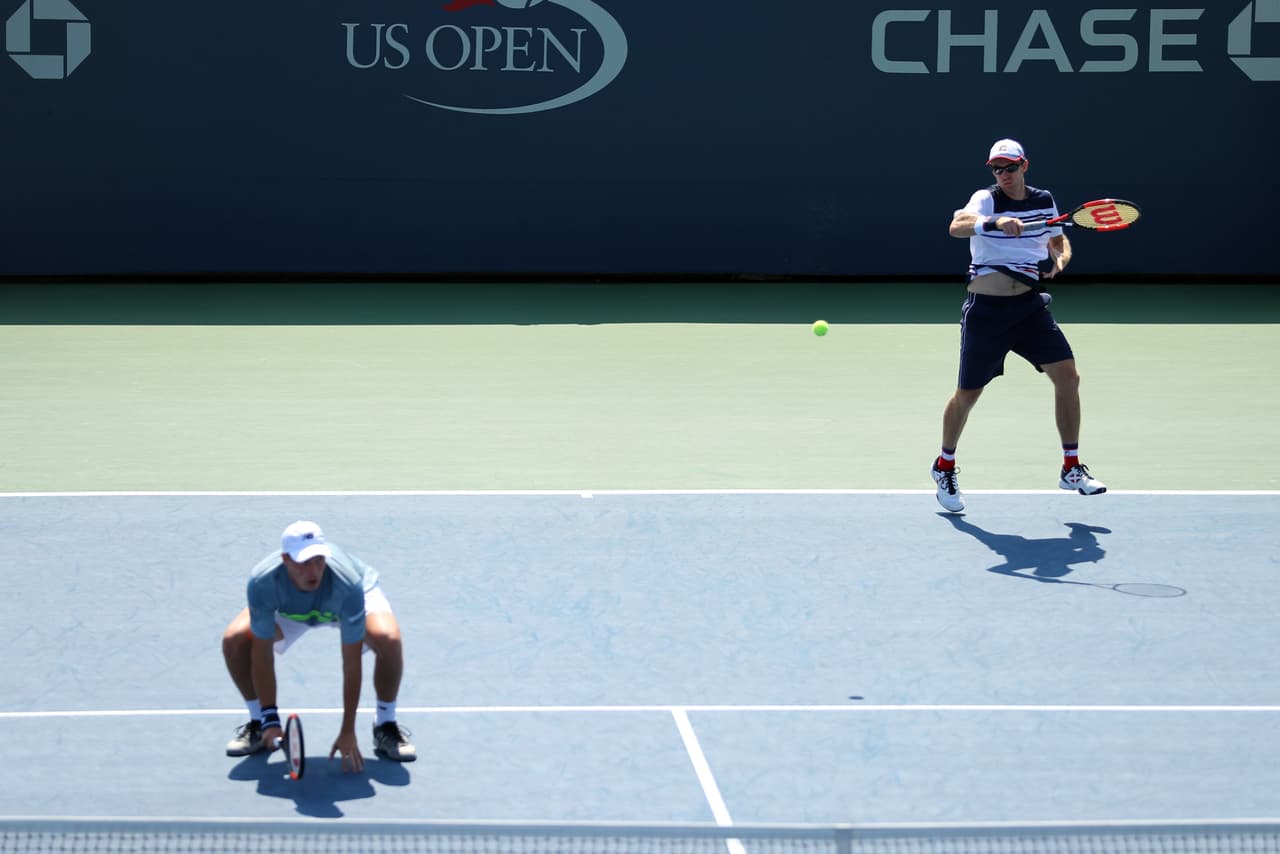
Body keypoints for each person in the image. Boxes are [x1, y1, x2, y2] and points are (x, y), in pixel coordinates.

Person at [932, 138, 1106, 513]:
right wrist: (994, 221)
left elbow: (1059, 241)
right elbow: (957, 226)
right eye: (997, 168)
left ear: (1024, 166)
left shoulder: (1044, 200)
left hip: (1029, 307)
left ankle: (1071, 467)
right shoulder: (986, 198)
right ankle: (944, 465)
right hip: (987, 311)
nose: (1004, 174)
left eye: (1010, 167)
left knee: (1068, 377)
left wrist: (1060, 260)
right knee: (968, 395)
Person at [221, 520, 416, 770]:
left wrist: (348, 730)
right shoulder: (263, 582)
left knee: (389, 640)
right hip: (290, 610)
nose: (313, 571)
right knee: (235, 640)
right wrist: (270, 719)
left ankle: (385, 724)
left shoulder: (348, 583)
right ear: (286, 559)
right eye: (303, 563)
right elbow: (262, 655)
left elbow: (351, 663)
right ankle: (258, 723)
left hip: (343, 604)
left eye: (319, 560)